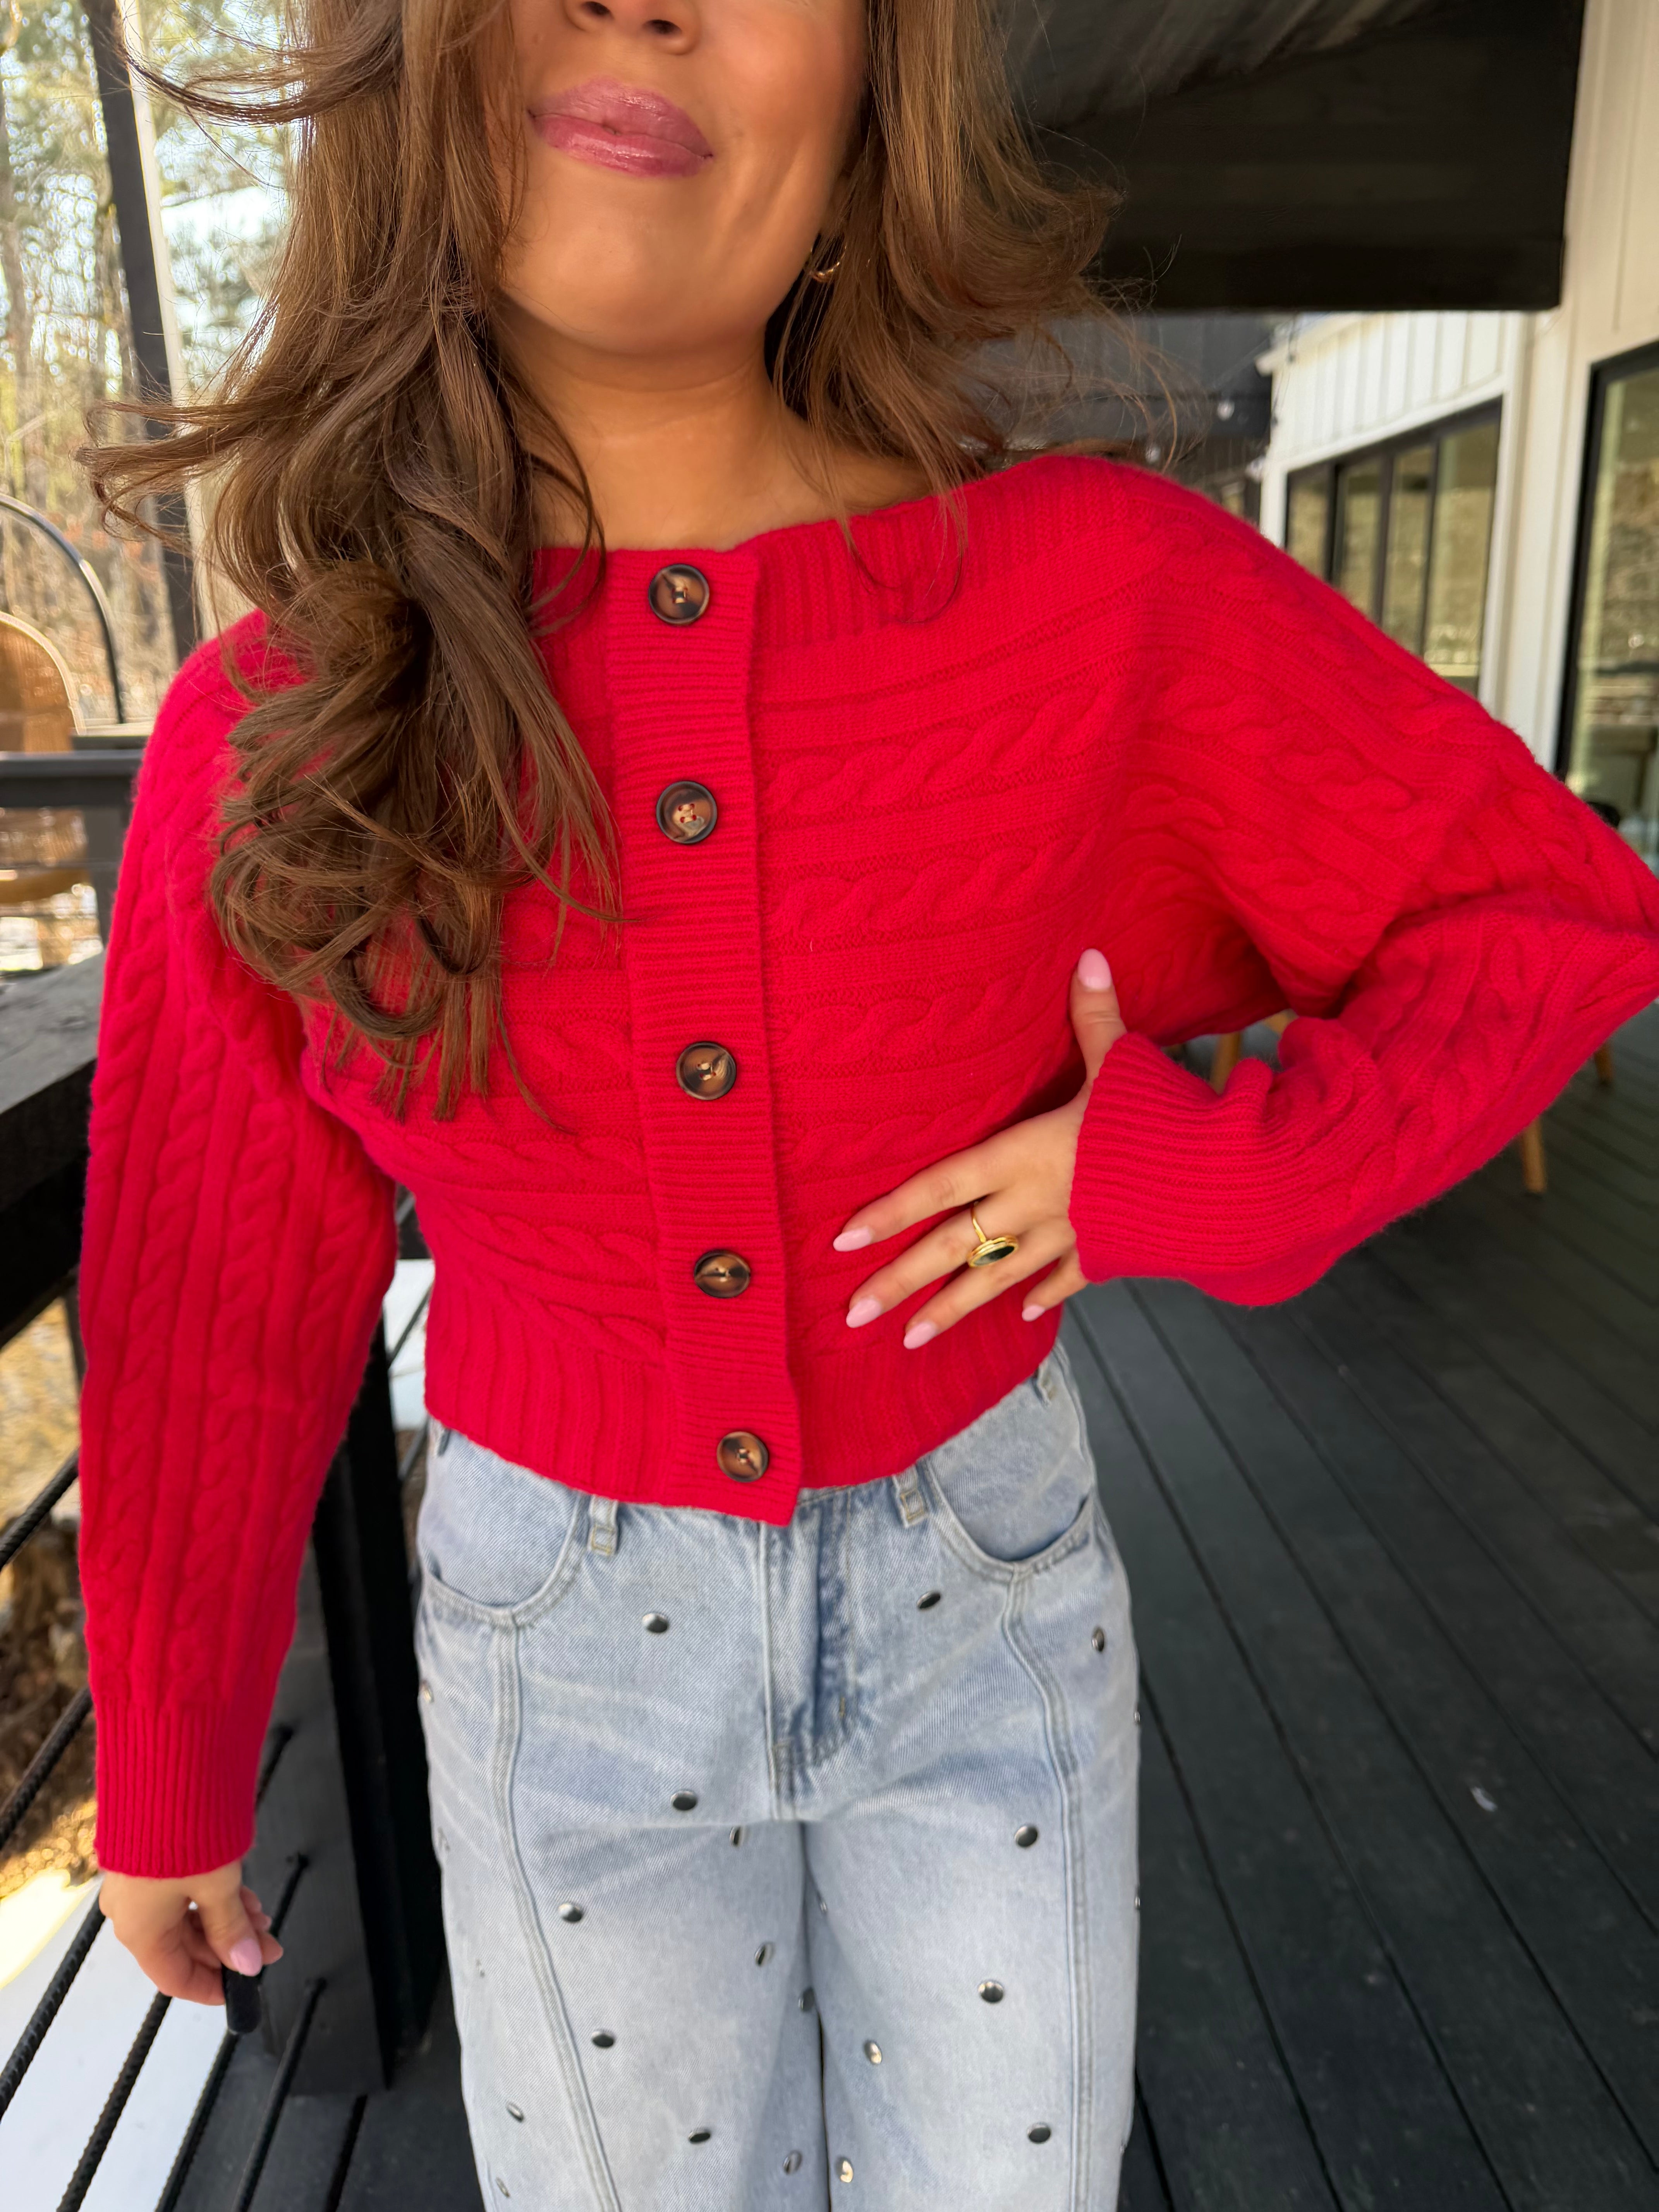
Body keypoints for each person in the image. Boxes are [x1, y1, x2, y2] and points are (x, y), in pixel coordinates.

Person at [74, 0, 1659, 2205]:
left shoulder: (1106, 595)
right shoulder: (279, 734)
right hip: (553, 1650)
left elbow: (1547, 914)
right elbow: (206, 1301)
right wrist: (163, 1765)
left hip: (983, 1593)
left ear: (863, 119)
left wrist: (1199, 1174)